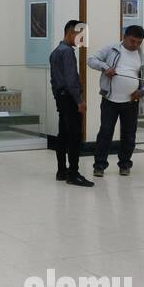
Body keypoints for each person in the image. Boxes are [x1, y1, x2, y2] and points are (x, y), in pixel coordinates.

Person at [88, 25, 144, 177]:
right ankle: (99, 165)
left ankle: (125, 164)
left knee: (129, 135)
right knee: (105, 132)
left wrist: (142, 91)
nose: (135, 45)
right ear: (124, 37)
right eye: (132, 41)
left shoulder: (143, 59)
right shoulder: (111, 49)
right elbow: (91, 60)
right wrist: (105, 67)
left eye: (139, 42)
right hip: (110, 100)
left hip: (131, 103)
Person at [49, 20, 93, 187]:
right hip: (69, 97)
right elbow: (71, 79)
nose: (81, 41)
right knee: (74, 136)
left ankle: (61, 171)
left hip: (61, 97)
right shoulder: (67, 52)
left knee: (63, 135)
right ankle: (73, 173)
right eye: (80, 36)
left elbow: (54, 80)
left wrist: (58, 97)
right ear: (70, 34)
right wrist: (79, 100)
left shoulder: (55, 52)